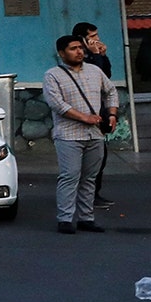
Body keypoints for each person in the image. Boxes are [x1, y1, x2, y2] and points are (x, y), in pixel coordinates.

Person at [42, 32, 114, 237]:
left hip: (95, 135)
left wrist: (112, 113)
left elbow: (111, 91)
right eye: (73, 48)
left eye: (80, 48)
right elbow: (57, 104)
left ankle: (86, 218)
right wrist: (84, 117)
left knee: (89, 178)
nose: (79, 51)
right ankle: (65, 218)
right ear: (61, 53)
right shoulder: (52, 75)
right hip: (69, 135)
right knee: (70, 176)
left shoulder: (94, 71)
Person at [70, 22, 117, 205]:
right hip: (80, 115)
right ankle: (81, 196)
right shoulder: (77, 56)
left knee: (99, 158)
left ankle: (93, 194)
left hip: (97, 113)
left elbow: (106, 76)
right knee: (80, 162)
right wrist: (96, 56)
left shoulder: (95, 56)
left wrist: (102, 56)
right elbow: (90, 78)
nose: (97, 39)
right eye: (93, 36)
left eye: (97, 35)